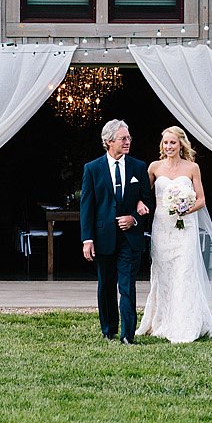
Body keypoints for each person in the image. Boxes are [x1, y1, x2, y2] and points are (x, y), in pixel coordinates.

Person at [139, 126, 212, 344]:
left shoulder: (192, 167)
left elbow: (201, 199)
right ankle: (161, 320)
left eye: (172, 143)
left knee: (184, 273)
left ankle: (185, 324)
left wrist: (185, 208)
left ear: (181, 144)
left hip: (185, 228)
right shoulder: (154, 167)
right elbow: (145, 196)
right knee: (163, 273)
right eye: (165, 143)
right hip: (162, 228)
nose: (168, 147)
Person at [80, 119, 153, 343]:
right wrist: (87, 239)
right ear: (109, 141)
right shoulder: (92, 169)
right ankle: (108, 329)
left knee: (127, 286)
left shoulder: (139, 167)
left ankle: (127, 335)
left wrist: (134, 219)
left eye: (129, 138)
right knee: (106, 286)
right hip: (103, 238)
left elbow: (149, 202)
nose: (128, 141)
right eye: (123, 138)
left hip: (130, 239)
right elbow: (87, 206)